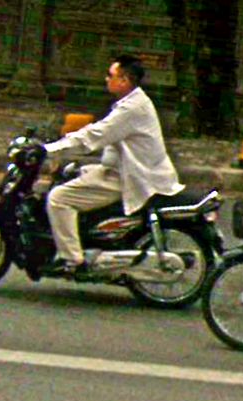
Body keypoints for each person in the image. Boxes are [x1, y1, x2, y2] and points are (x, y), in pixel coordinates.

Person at [42, 54, 185, 276]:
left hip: (130, 177)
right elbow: (101, 136)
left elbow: (95, 135)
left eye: (110, 75)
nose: (106, 79)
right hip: (121, 170)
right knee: (72, 174)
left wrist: (48, 150)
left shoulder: (131, 109)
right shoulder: (132, 103)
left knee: (58, 198)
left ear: (124, 80)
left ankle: (72, 259)